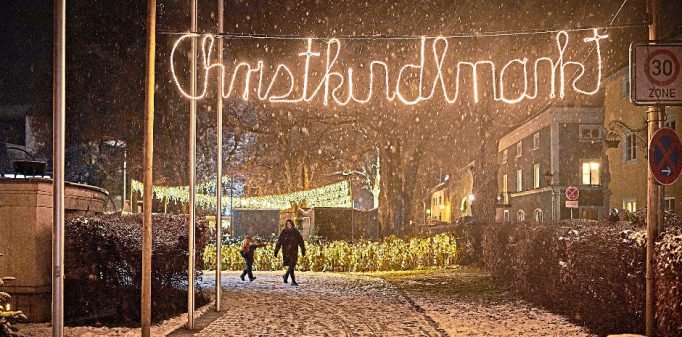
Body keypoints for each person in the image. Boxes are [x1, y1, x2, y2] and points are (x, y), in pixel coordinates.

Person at [274, 219, 306, 286]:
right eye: (288, 224)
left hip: (294, 251)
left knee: (292, 265)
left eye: (290, 224)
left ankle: (285, 276)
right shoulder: (284, 232)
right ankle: (293, 280)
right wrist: (276, 251)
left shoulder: (295, 232)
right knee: (291, 265)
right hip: (287, 252)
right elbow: (279, 242)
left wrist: (303, 250)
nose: (289, 225)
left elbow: (301, 241)